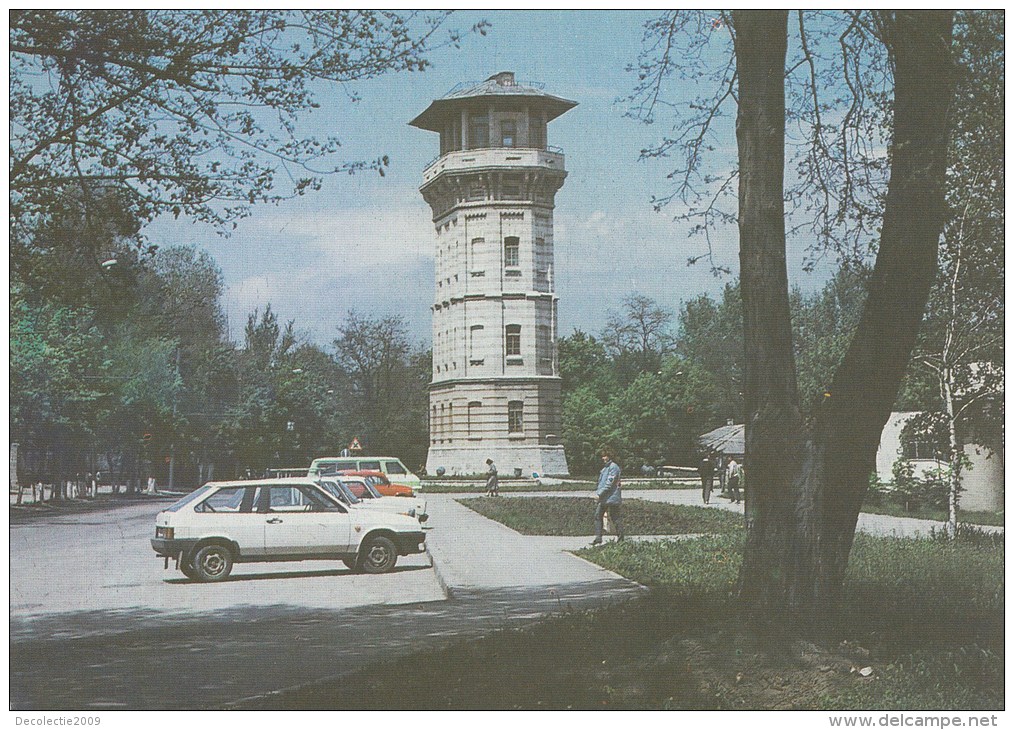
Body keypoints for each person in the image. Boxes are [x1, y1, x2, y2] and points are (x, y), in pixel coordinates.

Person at [591, 447, 624, 546]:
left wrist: (599, 494)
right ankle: (598, 537)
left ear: (610, 456)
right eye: (603, 456)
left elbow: (609, 484)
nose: (603, 458)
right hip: (605, 497)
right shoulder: (605, 468)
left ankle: (621, 538)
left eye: (605, 456)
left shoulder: (613, 467)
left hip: (611, 497)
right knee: (598, 515)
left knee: (615, 517)